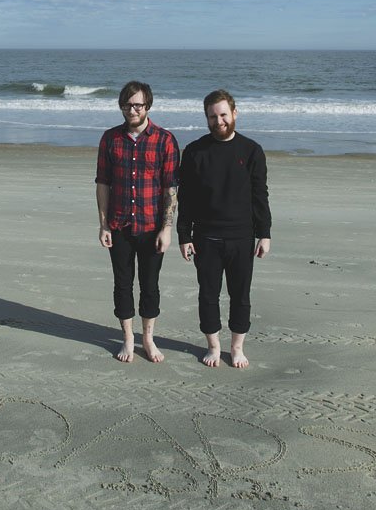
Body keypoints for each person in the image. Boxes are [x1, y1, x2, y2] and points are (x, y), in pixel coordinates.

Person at [177, 88, 271, 369]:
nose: (218, 121)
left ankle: (237, 347)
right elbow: (186, 198)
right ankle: (214, 346)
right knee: (208, 295)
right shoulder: (195, 151)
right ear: (206, 118)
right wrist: (184, 235)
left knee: (240, 296)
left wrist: (264, 233)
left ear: (234, 113)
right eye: (212, 117)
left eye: (223, 115)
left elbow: (260, 195)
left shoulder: (251, 151)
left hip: (242, 237)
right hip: (206, 238)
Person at [96, 81, 180, 363]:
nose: (132, 110)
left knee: (150, 285)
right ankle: (128, 338)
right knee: (122, 284)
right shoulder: (110, 139)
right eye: (127, 105)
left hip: (151, 227)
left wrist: (167, 228)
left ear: (148, 106)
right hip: (119, 226)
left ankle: (148, 338)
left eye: (137, 105)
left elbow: (170, 187)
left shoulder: (165, 140)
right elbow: (103, 183)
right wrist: (103, 224)